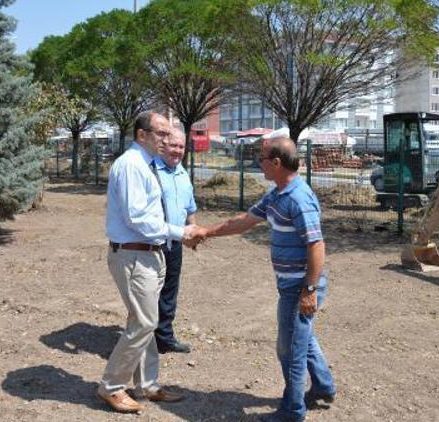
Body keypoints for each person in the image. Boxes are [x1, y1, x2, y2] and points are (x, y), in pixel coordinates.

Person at [193, 137, 336, 422]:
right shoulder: (277, 194)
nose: (259, 162)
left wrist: (308, 288)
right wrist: (205, 232)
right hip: (292, 285)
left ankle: (292, 411)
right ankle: (323, 386)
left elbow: (316, 245)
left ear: (276, 163)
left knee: (290, 351)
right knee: (302, 340)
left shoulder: (297, 197)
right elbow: (244, 221)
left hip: (299, 287)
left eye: (262, 158)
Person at [98, 110, 201, 414]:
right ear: (141, 135)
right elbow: (138, 218)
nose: (167, 140)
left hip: (150, 253)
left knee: (145, 320)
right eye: (161, 133)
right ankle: (111, 387)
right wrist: (180, 232)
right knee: (144, 322)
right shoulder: (131, 165)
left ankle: (147, 384)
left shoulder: (144, 164)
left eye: (169, 134)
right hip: (133, 254)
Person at [153, 127, 197, 354]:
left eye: (181, 146)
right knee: (150, 292)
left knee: (170, 291)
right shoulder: (152, 171)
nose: (178, 151)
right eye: (174, 146)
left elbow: (189, 207)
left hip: (176, 242)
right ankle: (145, 338)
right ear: (163, 146)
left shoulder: (182, 173)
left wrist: (193, 232)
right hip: (154, 243)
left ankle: (164, 337)